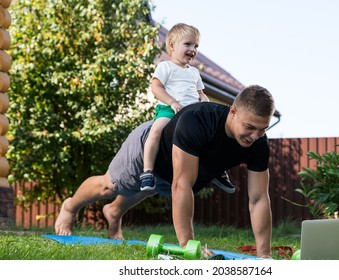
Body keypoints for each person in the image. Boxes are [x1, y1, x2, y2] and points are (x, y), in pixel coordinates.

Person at [54, 85, 275, 259]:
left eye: (262, 129)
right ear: (233, 112)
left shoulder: (258, 144)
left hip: (171, 173)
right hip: (147, 152)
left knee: (148, 190)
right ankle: (70, 206)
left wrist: (264, 255)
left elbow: (258, 199)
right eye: (250, 127)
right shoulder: (198, 120)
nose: (255, 136)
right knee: (110, 186)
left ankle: (113, 212)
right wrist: (189, 248)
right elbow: (181, 185)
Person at [140, 23, 235, 194]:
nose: (193, 49)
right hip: (170, 110)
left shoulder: (194, 73)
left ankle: (217, 171)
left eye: (196, 46)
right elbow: (156, 87)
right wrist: (172, 102)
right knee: (156, 131)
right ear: (172, 46)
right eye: (188, 44)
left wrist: (205, 104)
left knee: (212, 138)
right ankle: (147, 171)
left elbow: (201, 94)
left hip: (192, 114)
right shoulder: (165, 66)